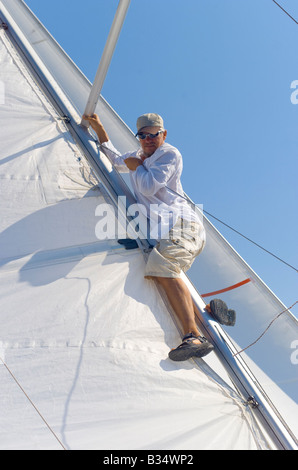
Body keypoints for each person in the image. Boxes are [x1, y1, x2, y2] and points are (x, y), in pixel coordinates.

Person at [83, 112, 236, 361]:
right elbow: (114, 159)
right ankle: (208, 312)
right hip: (166, 231)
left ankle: (193, 337)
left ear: (163, 135)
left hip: (183, 224)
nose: (147, 140)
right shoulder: (137, 157)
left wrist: (137, 165)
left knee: (163, 268)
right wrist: (99, 128)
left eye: (153, 135)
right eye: (142, 136)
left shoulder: (169, 154)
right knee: (167, 270)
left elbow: (149, 185)